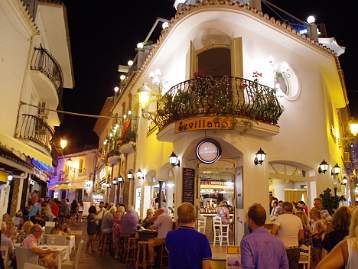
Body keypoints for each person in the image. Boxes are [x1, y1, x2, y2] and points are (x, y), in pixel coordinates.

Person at [241, 203, 288, 269]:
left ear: (251, 221)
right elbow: (285, 266)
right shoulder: (279, 242)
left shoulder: (247, 241)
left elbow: (247, 266)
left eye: (247, 219)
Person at [166, 202, 212, 269]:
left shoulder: (170, 236)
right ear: (194, 218)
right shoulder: (202, 238)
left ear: (178, 219)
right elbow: (206, 266)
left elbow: (170, 253)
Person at [272, 202, 303, 269]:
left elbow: (272, 234)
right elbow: (301, 236)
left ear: (283, 209)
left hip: (283, 249)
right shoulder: (298, 219)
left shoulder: (280, 218)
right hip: (295, 249)